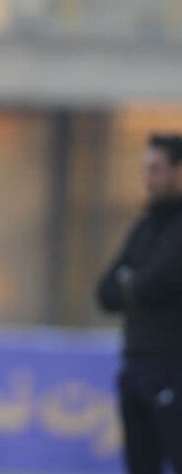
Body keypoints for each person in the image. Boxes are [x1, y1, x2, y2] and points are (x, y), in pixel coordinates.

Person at [96, 133, 182, 474]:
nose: (147, 178)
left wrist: (131, 283)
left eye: (155, 169)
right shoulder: (147, 225)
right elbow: (106, 292)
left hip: (172, 367)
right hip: (136, 366)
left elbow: (155, 282)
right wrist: (134, 284)